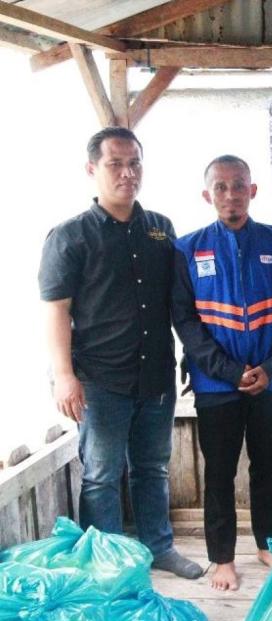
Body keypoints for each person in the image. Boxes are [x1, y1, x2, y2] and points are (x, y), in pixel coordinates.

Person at [38, 127, 201, 579]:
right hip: (99, 380)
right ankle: (106, 563)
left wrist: (191, 352)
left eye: (135, 164)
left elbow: (179, 302)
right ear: (92, 170)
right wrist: (64, 375)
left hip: (155, 378)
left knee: (152, 468)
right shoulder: (70, 237)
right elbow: (56, 310)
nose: (127, 173)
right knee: (102, 474)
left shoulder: (160, 229)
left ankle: (159, 548)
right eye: (115, 164)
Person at [172, 155, 272, 591]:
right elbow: (185, 322)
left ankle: (268, 545)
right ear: (207, 194)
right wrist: (229, 372)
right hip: (216, 385)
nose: (231, 194)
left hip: (271, 381)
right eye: (221, 186)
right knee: (220, 472)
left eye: (239, 185)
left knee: (268, 468)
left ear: (253, 190)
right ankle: (223, 558)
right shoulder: (187, 250)